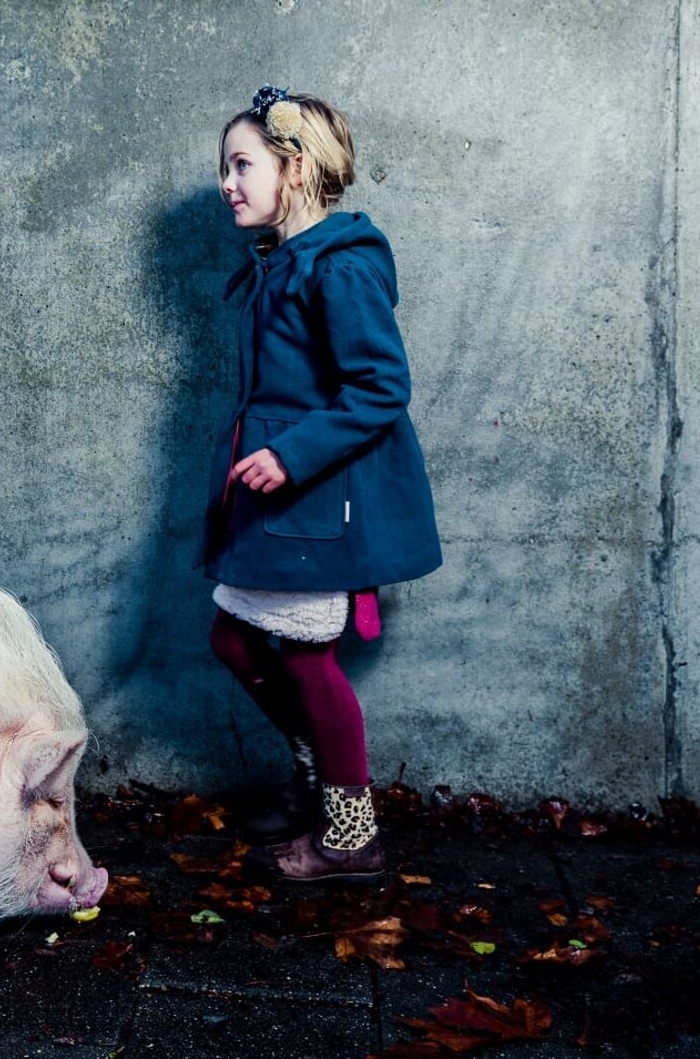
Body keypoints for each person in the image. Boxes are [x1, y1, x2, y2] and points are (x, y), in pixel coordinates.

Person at [200, 85, 442, 882]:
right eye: (225, 169)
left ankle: (350, 831)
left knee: (307, 661)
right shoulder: (286, 261)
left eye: (243, 165)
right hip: (270, 502)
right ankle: (315, 771)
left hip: (310, 499)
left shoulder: (339, 269)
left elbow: (380, 386)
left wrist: (292, 456)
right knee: (235, 640)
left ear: (294, 169)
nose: (227, 184)